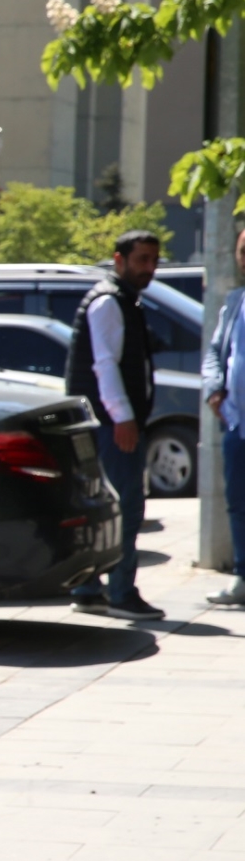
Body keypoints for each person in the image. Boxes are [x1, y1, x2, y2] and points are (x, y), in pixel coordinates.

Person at [66, 229, 166, 620]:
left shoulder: (124, 300)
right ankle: (121, 592)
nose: (149, 268)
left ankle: (89, 589)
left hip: (110, 423)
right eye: (142, 259)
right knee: (125, 508)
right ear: (119, 259)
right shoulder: (109, 301)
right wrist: (123, 418)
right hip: (111, 426)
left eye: (154, 260)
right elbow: (105, 365)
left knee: (107, 509)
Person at [203, 228, 245, 607]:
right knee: (237, 502)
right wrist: (214, 389)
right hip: (237, 425)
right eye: (243, 251)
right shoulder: (234, 302)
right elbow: (216, 351)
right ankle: (242, 577)